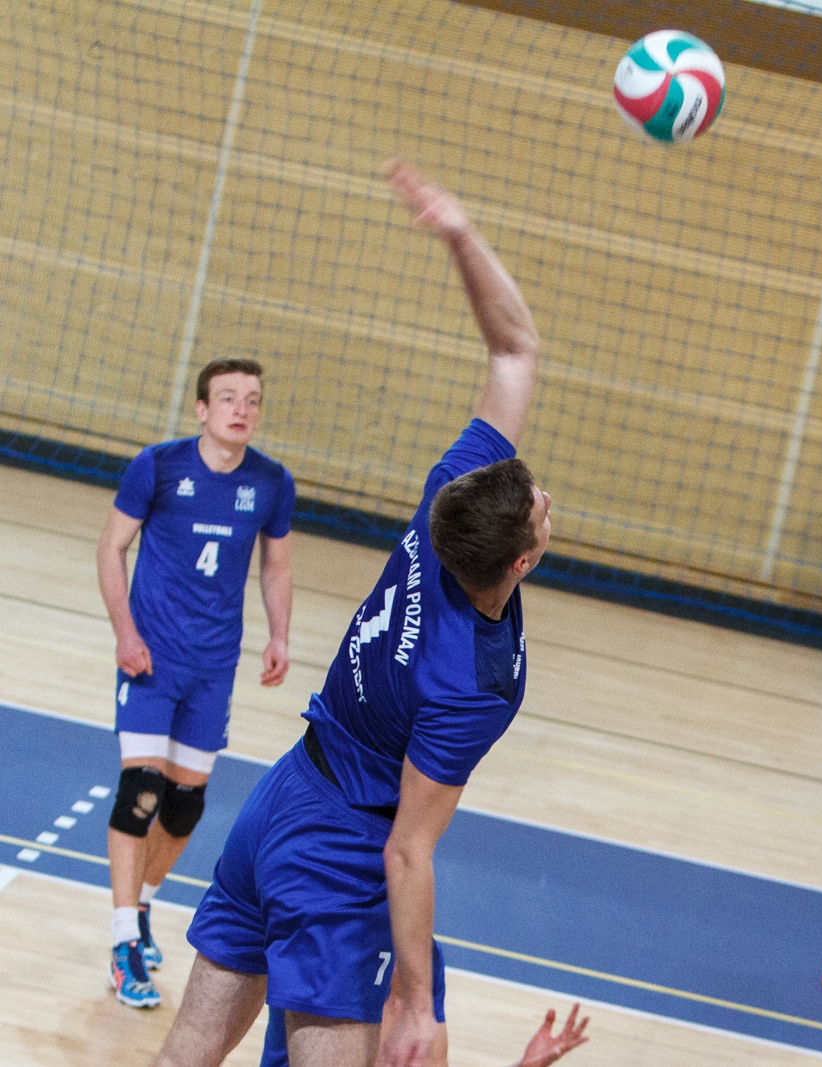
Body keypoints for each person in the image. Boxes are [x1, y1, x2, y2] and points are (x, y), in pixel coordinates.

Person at [145, 161, 586, 1067]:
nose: (540, 490)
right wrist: (416, 1001)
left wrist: (463, 235)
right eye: (538, 500)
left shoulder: (443, 510)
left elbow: (513, 351)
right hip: (341, 850)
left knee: (183, 1055)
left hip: (278, 803)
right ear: (523, 560)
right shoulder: (476, 680)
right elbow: (407, 850)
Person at [97, 356, 295, 1009]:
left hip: (214, 666)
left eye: (253, 399)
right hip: (151, 658)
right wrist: (125, 631)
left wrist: (279, 633)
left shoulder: (270, 482)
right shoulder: (157, 465)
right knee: (141, 790)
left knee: (183, 806)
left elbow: (275, 566)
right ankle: (124, 941)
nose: (243, 407)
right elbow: (111, 548)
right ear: (203, 409)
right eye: (229, 397)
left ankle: (144, 902)